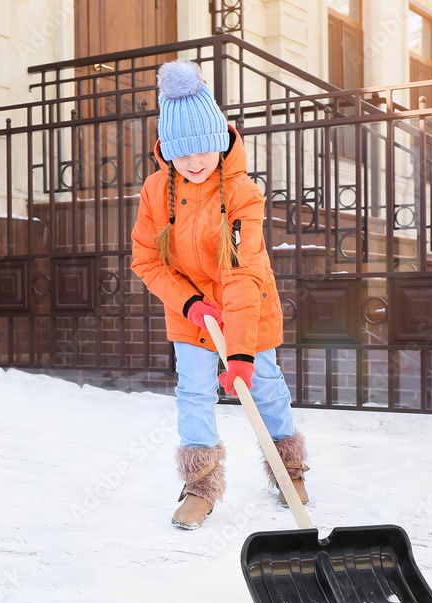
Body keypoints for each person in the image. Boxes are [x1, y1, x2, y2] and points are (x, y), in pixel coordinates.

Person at [131, 60, 309, 530]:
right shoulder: (155, 191)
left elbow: (241, 272)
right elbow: (147, 261)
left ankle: (289, 469)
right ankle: (201, 487)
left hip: (247, 305)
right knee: (193, 391)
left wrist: (243, 353)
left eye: (202, 149)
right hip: (188, 310)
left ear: (219, 138)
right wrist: (190, 303)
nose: (193, 162)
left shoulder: (242, 193)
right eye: (181, 153)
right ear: (167, 151)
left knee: (265, 387)